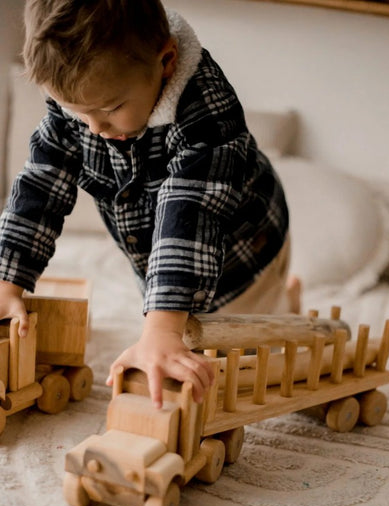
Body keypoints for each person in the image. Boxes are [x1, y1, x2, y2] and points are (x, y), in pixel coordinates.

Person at [0, 0, 300, 409]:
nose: (94, 128)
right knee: (181, 330)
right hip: (159, 251)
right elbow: (40, 184)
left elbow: (189, 215)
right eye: (76, 112)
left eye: (110, 109)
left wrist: (161, 330)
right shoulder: (81, 105)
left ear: (167, 62)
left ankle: (287, 305)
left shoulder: (208, 117)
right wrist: (7, 279)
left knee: (245, 346)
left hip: (245, 251)